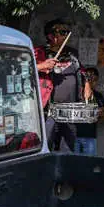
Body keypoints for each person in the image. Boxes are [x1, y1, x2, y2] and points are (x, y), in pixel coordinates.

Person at [34, 18, 83, 152]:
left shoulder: (72, 53)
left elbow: (81, 71)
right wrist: (42, 65)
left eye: (66, 32)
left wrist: (87, 86)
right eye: (62, 32)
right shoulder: (39, 53)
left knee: (68, 150)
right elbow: (22, 69)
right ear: (51, 36)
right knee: (45, 148)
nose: (65, 34)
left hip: (69, 111)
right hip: (49, 111)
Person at [75, 67, 104, 156]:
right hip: (73, 136)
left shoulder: (98, 96)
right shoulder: (76, 93)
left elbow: (102, 114)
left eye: (93, 80)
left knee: (89, 165)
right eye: (88, 79)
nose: (91, 82)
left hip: (89, 137)